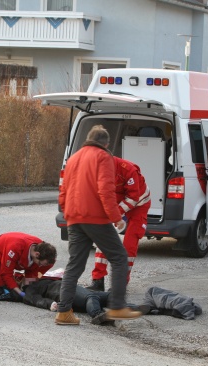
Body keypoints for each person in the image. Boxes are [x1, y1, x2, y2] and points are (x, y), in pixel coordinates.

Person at [55, 125, 141, 325]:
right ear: (106, 143)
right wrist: (115, 217)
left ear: (88, 139)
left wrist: (65, 208)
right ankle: (118, 307)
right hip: (94, 217)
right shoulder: (103, 157)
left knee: (74, 265)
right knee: (119, 258)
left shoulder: (74, 158)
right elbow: (105, 190)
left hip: (74, 217)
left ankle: (63, 312)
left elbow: (63, 189)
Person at [87, 156, 151, 291]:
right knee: (102, 239)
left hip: (139, 203)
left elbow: (133, 198)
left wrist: (115, 216)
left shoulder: (128, 169)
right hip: (116, 203)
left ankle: (121, 283)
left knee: (129, 243)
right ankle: (98, 280)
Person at [0, 232, 57, 300]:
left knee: (28, 286)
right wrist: (19, 291)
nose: (40, 266)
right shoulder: (15, 248)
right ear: (37, 254)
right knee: (2, 291)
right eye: (40, 263)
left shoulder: (45, 258)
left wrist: (26, 285)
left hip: (20, 261)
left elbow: (35, 274)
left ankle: (18, 281)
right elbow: (6, 273)